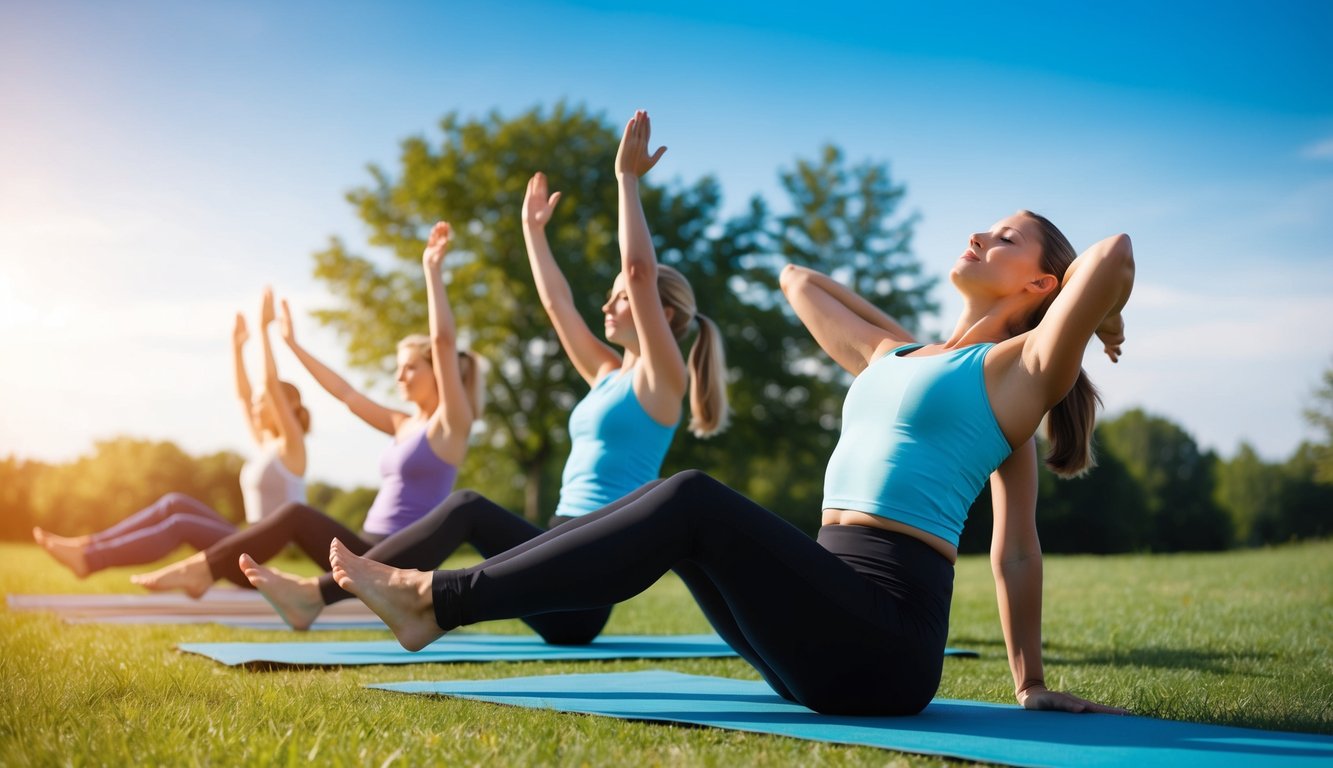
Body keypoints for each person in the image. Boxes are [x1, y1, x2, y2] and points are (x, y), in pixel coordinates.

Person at [330, 194, 1136, 717]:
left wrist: (1091, 312)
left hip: (884, 642)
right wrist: (919, 345)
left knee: (691, 499)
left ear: (1039, 288)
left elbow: (1113, 254)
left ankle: (437, 601)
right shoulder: (897, 356)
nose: (977, 233)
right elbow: (798, 281)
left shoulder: (1020, 375)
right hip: (822, 632)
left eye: (1005, 239)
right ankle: (436, 598)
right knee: (680, 522)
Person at [241, 111, 729, 639]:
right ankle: (354, 592)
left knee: (468, 506)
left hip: (589, 586)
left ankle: (328, 596)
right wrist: (532, 232)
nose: (611, 303)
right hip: (555, 545)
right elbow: (556, 301)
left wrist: (626, 180)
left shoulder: (663, 383)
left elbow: (637, 270)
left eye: (624, 297)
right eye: (611, 294)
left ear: (667, 317)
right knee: (468, 509)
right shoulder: (608, 373)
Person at [131, 222, 483, 598]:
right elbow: (345, 393)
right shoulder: (402, 424)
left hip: (398, 561)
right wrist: (293, 344)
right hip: (368, 545)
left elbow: (444, 342)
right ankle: (205, 569)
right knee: (295, 518)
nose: (400, 375)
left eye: (411, 366)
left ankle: (202, 570)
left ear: (439, 372)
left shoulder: (451, 425)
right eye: (398, 367)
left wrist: (431, 270)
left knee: (294, 514)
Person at [32, 290, 309, 578]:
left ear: (285, 406)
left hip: (264, 556)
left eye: (262, 401)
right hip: (249, 540)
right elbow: (243, 395)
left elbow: (269, 385)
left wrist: (264, 331)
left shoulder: (293, 446)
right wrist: (237, 348)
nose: (255, 405)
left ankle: (91, 560)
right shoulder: (267, 444)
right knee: (174, 502)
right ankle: (87, 546)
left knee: (181, 524)